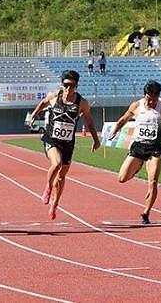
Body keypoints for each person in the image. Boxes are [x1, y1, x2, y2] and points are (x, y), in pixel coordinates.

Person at [108, 80, 161, 224]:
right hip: (138, 147)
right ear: (144, 95)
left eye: (155, 98)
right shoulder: (136, 106)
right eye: (149, 98)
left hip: (155, 148)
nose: (152, 102)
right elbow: (123, 119)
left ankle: (145, 213)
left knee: (153, 182)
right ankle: (138, 166)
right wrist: (115, 131)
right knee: (122, 178)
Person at [29, 70, 100, 220]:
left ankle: (55, 204)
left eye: (72, 86)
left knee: (61, 177)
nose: (69, 89)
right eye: (66, 85)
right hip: (51, 140)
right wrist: (34, 116)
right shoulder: (55, 96)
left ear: (76, 86)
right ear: (62, 85)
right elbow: (42, 104)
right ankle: (48, 187)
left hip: (67, 144)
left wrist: (96, 139)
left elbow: (89, 121)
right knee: (56, 164)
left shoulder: (82, 103)